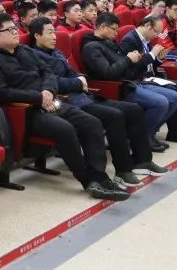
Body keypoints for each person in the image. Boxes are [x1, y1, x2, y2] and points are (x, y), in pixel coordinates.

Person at [0, 13, 129, 201]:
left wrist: (48, 91)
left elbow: (47, 71)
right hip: (28, 111)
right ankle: (88, 181)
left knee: (92, 123)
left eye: (15, 28)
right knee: (65, 129)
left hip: (51, 100)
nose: (16, 32)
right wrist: (39, 98)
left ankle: (100, 176)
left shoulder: (25, 50)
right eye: (9, 30)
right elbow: (1, 93)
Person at [27, 18, 167, 186]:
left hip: (86, 96)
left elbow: (73, 73)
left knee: (134, 110)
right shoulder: (33, 56)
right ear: (37, 35)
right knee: (114, 115)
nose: (54, 36)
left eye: (54, 32)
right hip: (69, 101)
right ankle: (123, 170)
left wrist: (80, 78)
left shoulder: (56, 52)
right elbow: (53, 82)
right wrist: (78, 82)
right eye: (50, 33)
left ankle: (142, 161)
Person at [85, 14, 177, 151]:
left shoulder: (110, 43)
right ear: (103, 27)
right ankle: (140, 138)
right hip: (119, 86)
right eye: (114, 29)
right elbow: (108, 73)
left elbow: (127, 66)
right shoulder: (92, 47)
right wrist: (129, 59)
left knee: (175, 97)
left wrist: (141, 59)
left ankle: (149, 133)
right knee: (161, 102)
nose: (117, 33)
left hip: (132, 80)